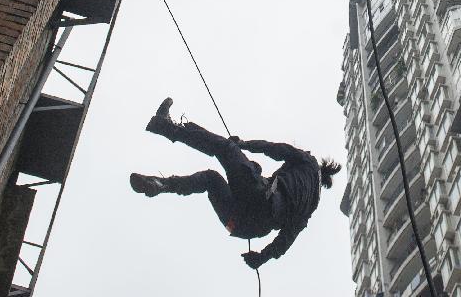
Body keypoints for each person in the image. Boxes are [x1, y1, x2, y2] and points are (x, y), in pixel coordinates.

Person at [130, 98, 341, 269]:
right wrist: (261, 257)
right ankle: (160, 184)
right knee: (212, 179)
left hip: (259, 197)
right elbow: (286, 240)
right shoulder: (309, 208)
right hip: (243, 227)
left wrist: (242, 145)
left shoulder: (309, 163)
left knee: (226, 148)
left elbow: (276, 149)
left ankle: (165, 126)